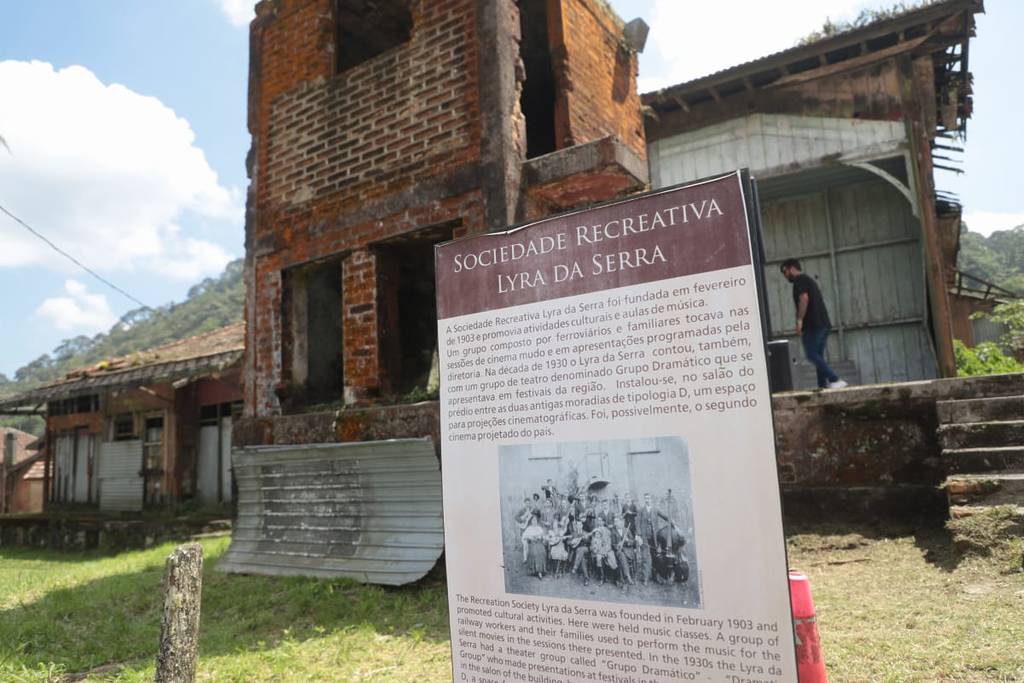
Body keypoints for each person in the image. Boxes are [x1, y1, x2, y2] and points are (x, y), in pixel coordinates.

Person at [780, 258, 848, 390]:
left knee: (811, 354)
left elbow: (804, 298)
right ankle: (822, 386)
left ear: (792, 268)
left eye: (785, 271)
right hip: (823, 323)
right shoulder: (808, 280)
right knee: (818, 356)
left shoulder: (800, 280)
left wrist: (799, 320)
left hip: (813, 324)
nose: (784, 275)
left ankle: (835, 379)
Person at [522, 512, 548, 579]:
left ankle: (541, 570)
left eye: (535, 520)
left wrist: (540, 537)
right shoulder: (529, 529)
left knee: (542, 552)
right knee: (535, 553)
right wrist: (530, 537)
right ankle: (536, 571)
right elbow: (524, 537)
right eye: (533, 520)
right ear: (531, 521)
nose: (534, 522)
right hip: (532, 544)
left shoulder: (539, 528)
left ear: (537, 521)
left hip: (539, 543)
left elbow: (543, 537)